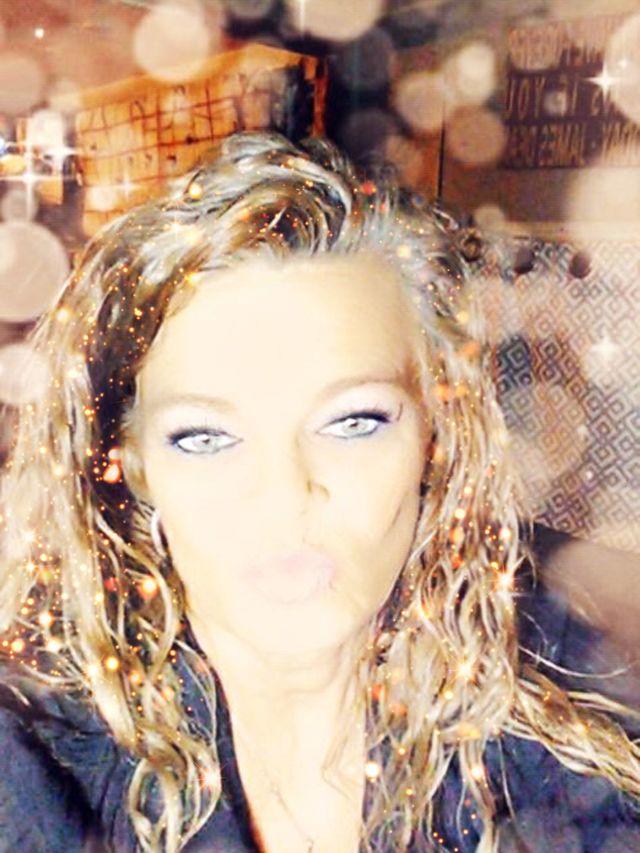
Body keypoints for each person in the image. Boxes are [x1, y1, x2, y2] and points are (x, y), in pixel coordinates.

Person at [0, 130, 638, 853]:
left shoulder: (587, 708)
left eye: (353, 421)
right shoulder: (32, 764)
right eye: (204, 437)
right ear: (134, 464)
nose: (285, 497)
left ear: (437, 435)